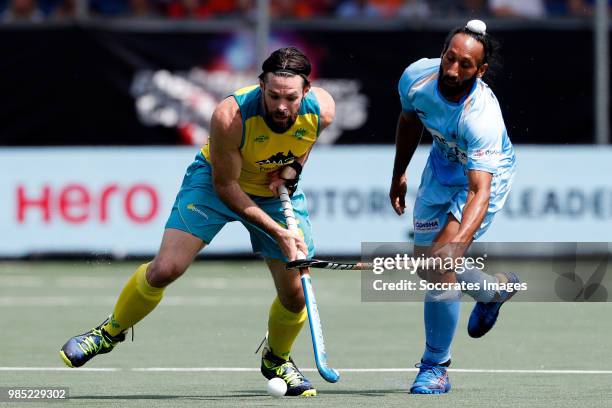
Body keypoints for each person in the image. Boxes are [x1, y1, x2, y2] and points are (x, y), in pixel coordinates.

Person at [60, 47, 336, 398]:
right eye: (274, 95)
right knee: (166, 269)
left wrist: (293, 169)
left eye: (291, 98)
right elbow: (225, 187)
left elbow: (304, 140)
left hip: (272, 190)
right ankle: (108, 332)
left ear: (306, 92)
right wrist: (279, 232)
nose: (282, 106)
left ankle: (277, 359)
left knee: (296, 295)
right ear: (261, 85)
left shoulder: (322, 111)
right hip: (215, 184)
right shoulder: (230, 117)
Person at [389, 20, 518, 394]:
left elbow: (480, 191)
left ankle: (436, 367)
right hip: (441, 167)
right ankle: (491, 291)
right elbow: (410, 120)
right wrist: (399, 173)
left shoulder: (482, 118)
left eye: (465, 65)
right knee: (429, 269)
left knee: (442, 265)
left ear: (481, 71)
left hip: (482, 179)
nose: (452, 70)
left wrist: (459, 242)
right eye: (449, 58)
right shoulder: (416, 78)